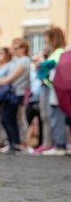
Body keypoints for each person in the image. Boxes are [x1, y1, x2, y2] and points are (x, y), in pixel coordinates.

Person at [0, 38, 31, 154]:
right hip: (14, 93)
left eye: (16, 48)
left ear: (23, 49)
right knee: (11, 119)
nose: (14, 50)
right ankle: (14, 144)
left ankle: (15, 143)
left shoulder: (24, 61)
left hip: (16, 93)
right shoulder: (17, 60)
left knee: (6, 119)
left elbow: (12, 77)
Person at [37, 27, 67, 156]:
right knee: (47, 116)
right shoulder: (53, 52)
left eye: (47, 39)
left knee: (54, 116)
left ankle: (57, 144)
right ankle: (49, 143)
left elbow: (52, 67)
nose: (45, 42)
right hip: (47, 86)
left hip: (53, 87)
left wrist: (42, 61)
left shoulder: (60, 51)